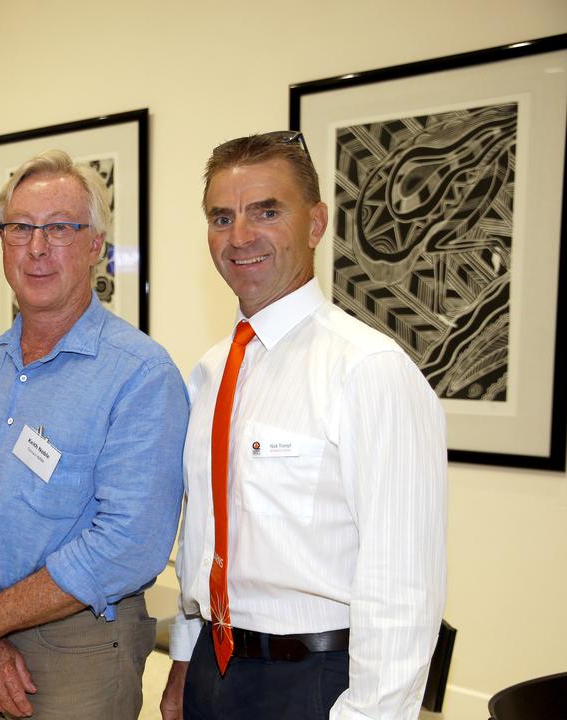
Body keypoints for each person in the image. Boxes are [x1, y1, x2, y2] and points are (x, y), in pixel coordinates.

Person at [160, 131, 447, 720]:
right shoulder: (211, 371)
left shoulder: (369, 370)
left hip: (316, 684)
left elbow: (403, 589)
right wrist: (186, 662)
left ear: (316, 224)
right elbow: (203, 536)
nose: (239, 236)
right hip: (214, 673)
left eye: (267, 211)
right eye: (222, 217)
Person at [0, 149, 187, 719]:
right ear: (1, 243)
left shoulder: (141, 375)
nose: (37, 248)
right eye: (20, 228)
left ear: (96, 246)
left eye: (60, 229)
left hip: (79, 648)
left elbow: (129, 546)